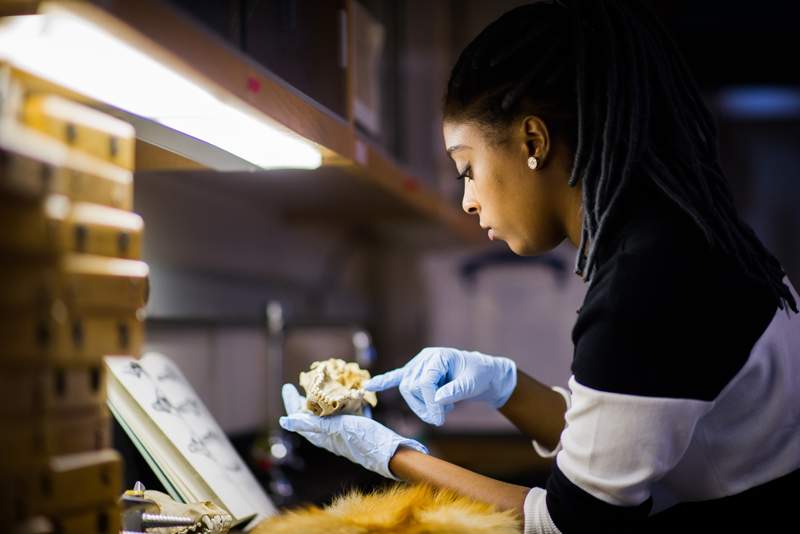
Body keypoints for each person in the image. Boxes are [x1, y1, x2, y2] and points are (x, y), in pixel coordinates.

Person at [279, 1, 800, 531]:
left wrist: (392, 457)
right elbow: (618, 435)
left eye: (467, 169)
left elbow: (569, 522)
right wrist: (504, 386)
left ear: (533, 140)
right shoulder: (679, 243)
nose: (468, 200)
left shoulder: (645, 284)